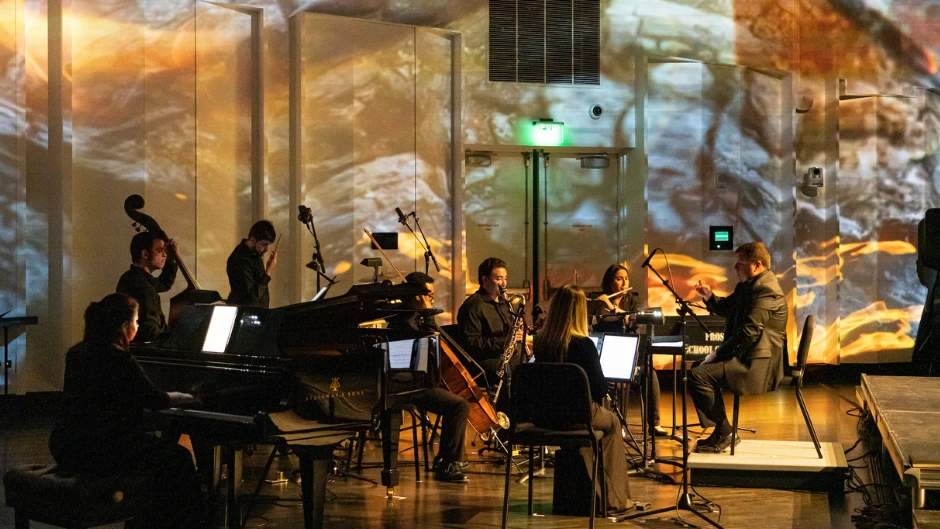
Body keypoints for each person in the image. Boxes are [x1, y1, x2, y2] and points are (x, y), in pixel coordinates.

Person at [49, 294, 206, 528]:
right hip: (102, 449)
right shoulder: (118, 358)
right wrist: (188, 396)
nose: (138, 326)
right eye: (136, 321)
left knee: (158, 455)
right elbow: (155, 399)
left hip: (68, 446)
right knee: (179, 458)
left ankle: (148, 519)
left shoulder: (77, 354)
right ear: (124, 327)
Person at [534, 284, 635, 516]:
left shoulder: (542, 342)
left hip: (546, 418)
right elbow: (599, 389)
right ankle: (615, 499)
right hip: (578, 417)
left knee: (598, 420)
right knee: (613, 423)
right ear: (579, 311)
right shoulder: (584, 345)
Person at [690, 241, 788, 453]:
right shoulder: (749, 287)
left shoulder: (766, 291)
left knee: (699, 375)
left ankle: (725, 431)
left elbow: (748, 332)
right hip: (748, 356)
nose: (735, 268)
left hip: (759, 364)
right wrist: (708, 296)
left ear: (757, 265)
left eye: (740, 263)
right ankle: (722, 430)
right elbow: (728, 307)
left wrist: (717, 354)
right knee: (698, 368)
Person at [387, 271, 472, 483]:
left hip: (418, 381)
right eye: (429, 296)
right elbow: (430, 344)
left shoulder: (412, 317)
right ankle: (447, 465)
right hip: (408, 385)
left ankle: (448, 458)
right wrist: (428, 314)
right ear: (418, 296)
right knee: (459, 405)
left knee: (456, 403)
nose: (431, 300)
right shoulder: (405, 322)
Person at [589, 264, 668, 437]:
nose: (624, 283)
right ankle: (614, 423)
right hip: (607, 352)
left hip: (629, 351)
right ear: (610, 283)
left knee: (650, 374)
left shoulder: (633, 301)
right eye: (619, 279)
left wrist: (612, 306)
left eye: (626, 278)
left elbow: (633, 322)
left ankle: (654, 423)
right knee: (610, 381)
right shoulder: (599, 302)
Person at [456, 257, 524, 387]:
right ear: (484, 280)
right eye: (498, 279)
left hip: (506, 355)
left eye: (505, 278)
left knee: (528, 366)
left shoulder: (505, 303)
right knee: (508, 372)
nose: (504, 284)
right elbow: (471, 343)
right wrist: (505, 341)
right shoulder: (473, 306)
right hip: (484, 359)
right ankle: (505, 406)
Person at [116, 231, 178, 343]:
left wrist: (172, 260)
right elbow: (150, 331)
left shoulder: (129, 277)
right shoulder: (143, 286)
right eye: (160, 250)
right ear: (145, 254)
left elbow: (164, 284)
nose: (165, 254)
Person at [227, 220, 278, 308]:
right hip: (246, 315)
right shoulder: (241, 259)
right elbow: (252, 296)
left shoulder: (254, 255)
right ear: (253, 240)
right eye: (264, 244)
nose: (266, 249)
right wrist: (268, 271)